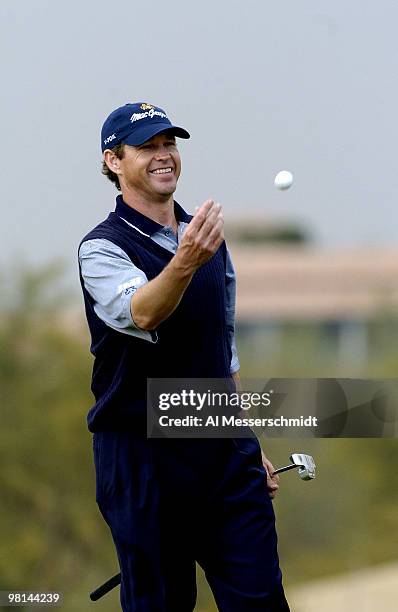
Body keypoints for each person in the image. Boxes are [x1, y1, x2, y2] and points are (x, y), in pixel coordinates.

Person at [78, 101, 290, 611]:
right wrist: (184, 261)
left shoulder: (204, 237)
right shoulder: (101, 248)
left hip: (221, 449)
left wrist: (246, 438)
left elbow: (224, 345)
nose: (163, 155)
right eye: (147, 147)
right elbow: (143, 313)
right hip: (141, 456)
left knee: (261, 601)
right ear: (114, 161)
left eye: (169, 144)